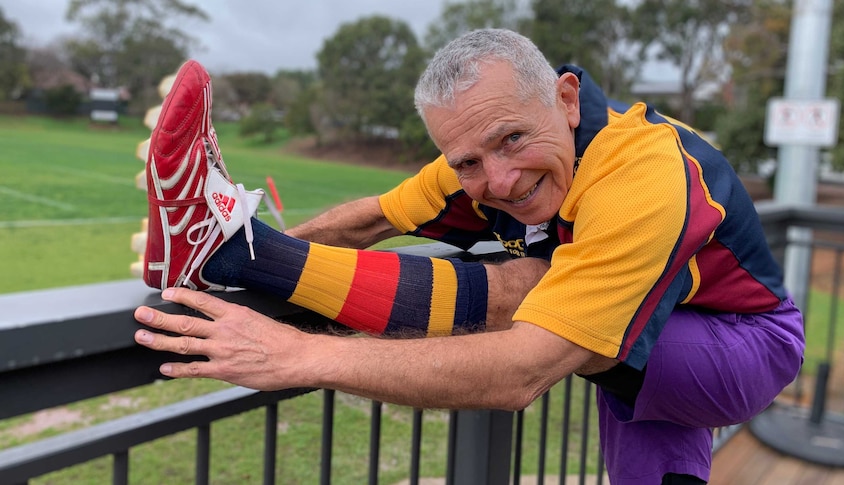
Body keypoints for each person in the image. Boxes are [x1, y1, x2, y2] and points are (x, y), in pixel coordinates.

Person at [134, 29, 805, 484]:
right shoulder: (472, 161)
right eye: (469, 161)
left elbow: (522, 372)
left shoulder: (641, 173)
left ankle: (228, 249)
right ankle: (221, 246)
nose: (501, 179)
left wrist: (299, 355)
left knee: (535, 288)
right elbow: (365, 220)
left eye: (513, 138)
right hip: (659, 325)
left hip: (749, 340)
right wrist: (225, 241)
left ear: (566, 100)